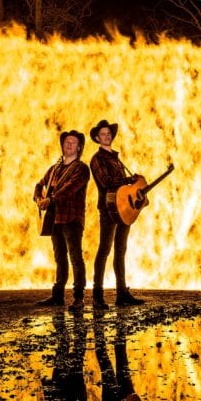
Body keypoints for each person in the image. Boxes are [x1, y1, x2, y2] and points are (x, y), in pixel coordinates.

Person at [89, 119, 145, 308]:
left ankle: (122, 294)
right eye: (102, 134)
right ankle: (97, 295)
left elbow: (122, 186)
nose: (106, 136)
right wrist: (128, 179)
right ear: (97, 138)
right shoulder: (97, 159)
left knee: (120, 251)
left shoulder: (116, 158)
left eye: (108, 133)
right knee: (104, 250)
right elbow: (105, 182)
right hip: (108, 209)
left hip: (123, 209)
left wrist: (133, 183)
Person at [34, 130, 90, 311]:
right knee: (59, 257)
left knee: (75, 257)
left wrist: (50, 200)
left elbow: (69, 189)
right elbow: (39, 185)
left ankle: (79, 298)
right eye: (66, 142)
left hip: (72, 218)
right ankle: (57, 295)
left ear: (79, 147)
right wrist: (38, 199)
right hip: (54, 219)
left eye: (73, 142)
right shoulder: (54, 169)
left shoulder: (81, 169)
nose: (69, 145)